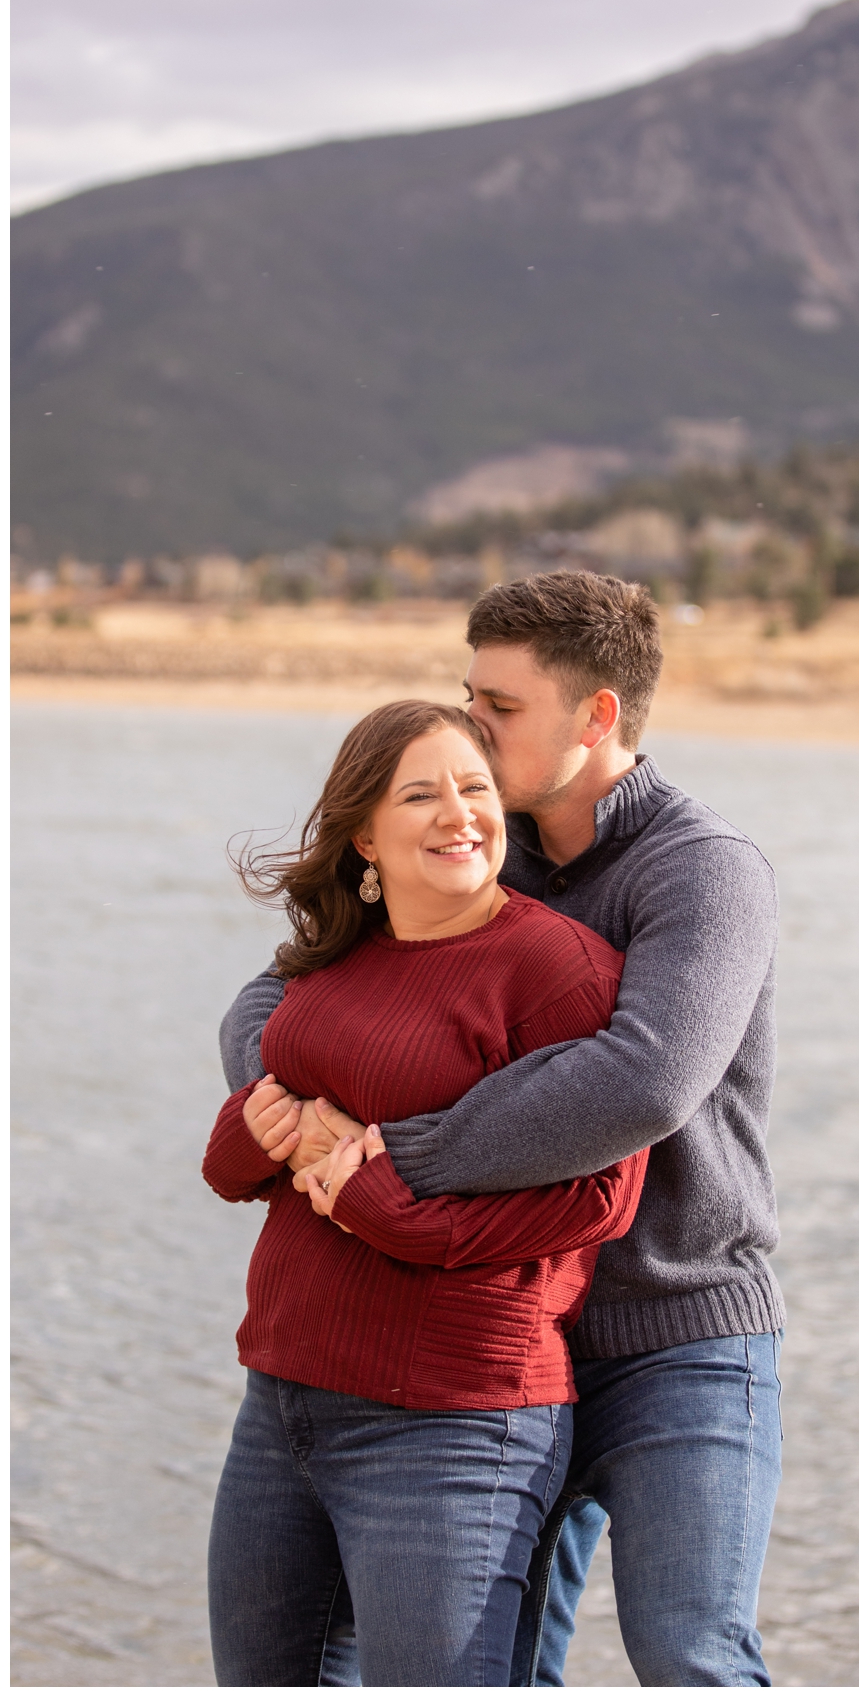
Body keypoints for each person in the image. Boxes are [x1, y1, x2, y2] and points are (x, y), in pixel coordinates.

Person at [222, 570, 784, 1686]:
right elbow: (272, 1002)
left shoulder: (703, 871)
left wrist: (397, 1156)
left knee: (690, 1652)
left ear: (598, 715)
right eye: (469, 694)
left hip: (680, 1328)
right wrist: (291, 1113)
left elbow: (646, 1080)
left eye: (501, 708)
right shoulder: (481, 848)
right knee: (515, 1666)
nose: (471, 727)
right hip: (516, 1331)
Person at [202, 699, 645, 1685]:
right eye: (422, 794)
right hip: (281, 1404)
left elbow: (602, 1198)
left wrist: (386, 1206)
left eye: (476, 789)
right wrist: (249, 1136)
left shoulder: (557, 972)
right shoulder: (334, 960)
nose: (460, 814)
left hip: (451, 1424)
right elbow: (250, 1154)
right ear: (366, 830)